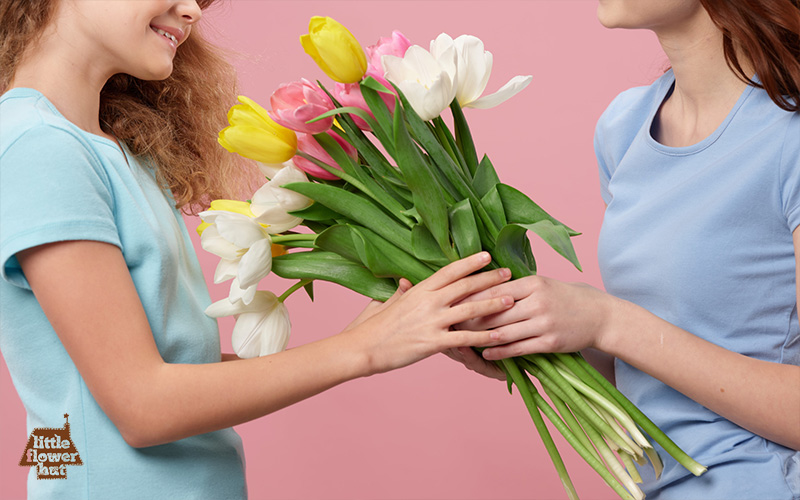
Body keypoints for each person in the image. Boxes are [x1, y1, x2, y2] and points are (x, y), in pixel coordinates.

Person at [0, 1, 516, 498]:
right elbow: (141, 406)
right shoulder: (38, 147)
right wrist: (367, 348)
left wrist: (367, 334)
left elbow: (172, 372)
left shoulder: (109, 151)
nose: (193, 10)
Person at [449, 1, 800, 499]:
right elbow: (649, 372)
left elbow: (628, 330)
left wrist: (608, 321)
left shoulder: (791, 134)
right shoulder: (626, 125)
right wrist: (527, 336)